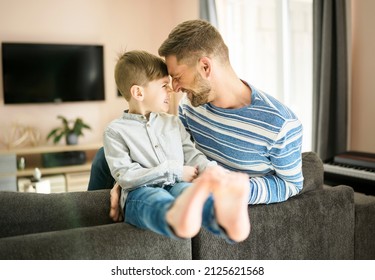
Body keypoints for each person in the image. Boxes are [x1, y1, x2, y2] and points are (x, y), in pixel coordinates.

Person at [97, 19, 303, 224]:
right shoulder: (190, 106)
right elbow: (165, 151)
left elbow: (292, 184)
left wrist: (236, 189)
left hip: (213, 200)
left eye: (176, 77)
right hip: (186, 186)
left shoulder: (280, 123)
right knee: (103, 157)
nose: (174, 88)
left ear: (205, 66)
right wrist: (126, 184)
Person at [103, 50, 250, 242]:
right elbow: (127, 176)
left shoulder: (173, 122)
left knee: (186, 192)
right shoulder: (115, 131)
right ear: (138, 92)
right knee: (152, 197)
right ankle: (174, 217)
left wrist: (215, 173)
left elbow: (192, 155)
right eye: (164, 85)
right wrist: (174, 171)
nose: (171, 89)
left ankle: (225, 221)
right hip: (140, 192)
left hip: (178, 185)